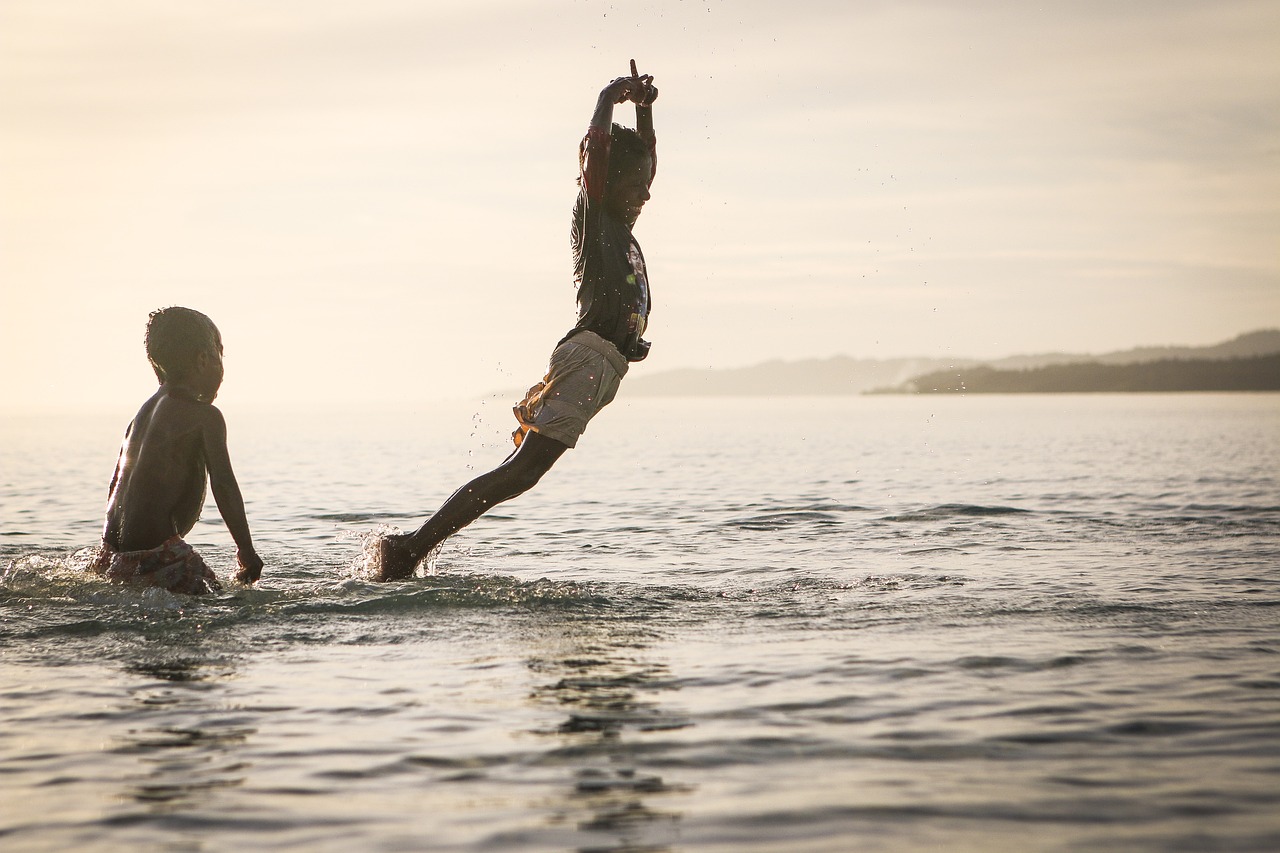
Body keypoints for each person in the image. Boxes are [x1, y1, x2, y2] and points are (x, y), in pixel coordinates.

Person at [374, 66, 659, 581]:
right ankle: (410, 549)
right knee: (520, 473)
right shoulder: (598, 219)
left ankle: (412, 548)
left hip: (604, 367)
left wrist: (644, 110)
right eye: (634, 184)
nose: (645, 192)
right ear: (605, 181)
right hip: (589, 357)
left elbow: (646, 163)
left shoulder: (621, 220)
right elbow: (596, 156)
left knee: (521, 474)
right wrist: (605, 101)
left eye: (646, 184)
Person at [92, 306, 263, 594]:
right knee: (224, 601)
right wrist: (246, 551)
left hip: (111, 557)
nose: (222, 367)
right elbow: (223, 484)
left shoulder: (141, 416)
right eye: (221, 355)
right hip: (159, 556)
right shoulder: (204, 416)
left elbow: (115, 486)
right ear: (202, 359)